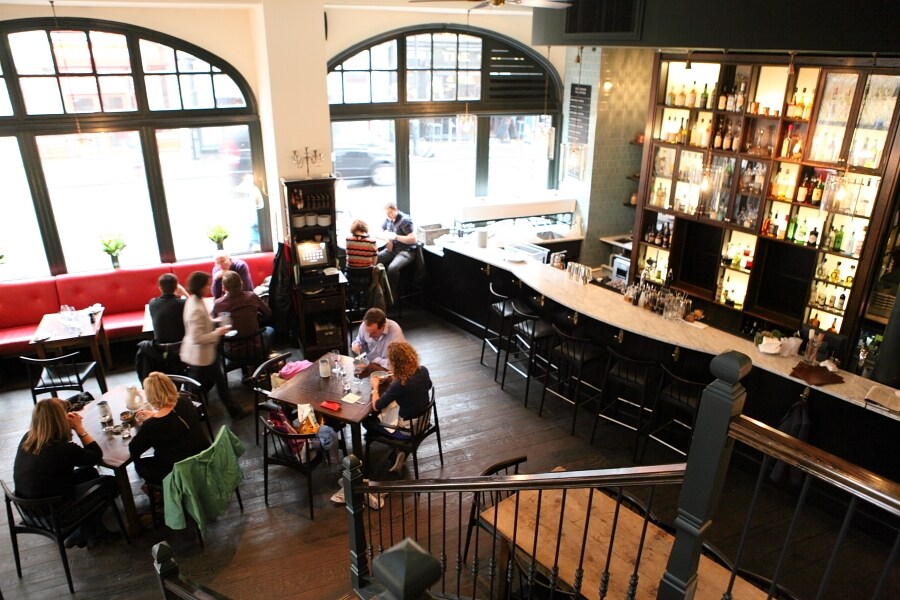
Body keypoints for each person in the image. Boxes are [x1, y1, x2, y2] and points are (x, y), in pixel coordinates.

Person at [13, 398, 119, 548]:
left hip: (31, 509)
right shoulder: (61, 449)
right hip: (53, 515)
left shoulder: (28, 437)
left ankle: (85, 530)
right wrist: (79, 428)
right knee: (110, 482)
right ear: (59, 420)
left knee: (89, 473)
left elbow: (87, 462)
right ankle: (92, 533)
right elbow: (95, 455)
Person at [180, 270, 250, 419]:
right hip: (200, 355)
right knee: (206, 386)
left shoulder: (193, 300)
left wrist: (215, 322)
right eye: (207, 284)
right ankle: (193, 413)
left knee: (214, 384)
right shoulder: (196, 308)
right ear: (200, 287)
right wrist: (218, 332)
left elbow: (202, 324)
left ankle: (233, 412)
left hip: (203, 355)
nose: (210, 287)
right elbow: (197, 338)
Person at [129, 372, 210, 487]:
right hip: (202, 456)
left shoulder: (152, 426)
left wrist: (147, 422)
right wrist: (154, 414)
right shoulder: (185, 400)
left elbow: (134, 449)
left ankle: (165, 493)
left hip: (179, 469)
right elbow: (172, 418)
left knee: (140, 465)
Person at [363, 341, 432, 473]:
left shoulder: (400, 384)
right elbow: (427, 386)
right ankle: (400, 450)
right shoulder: (423, 370)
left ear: (395, 363)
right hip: (424, 421)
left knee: (368, 421)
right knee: (391, 407)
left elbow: (377, 406)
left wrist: (375, 387)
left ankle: (398, 448)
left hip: (407, 430)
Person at [136, 273, 189, 381]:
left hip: (160, 350)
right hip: (182, 347)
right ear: (176, 287)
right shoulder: (184, 303)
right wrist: (183, 292)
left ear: (160, 288)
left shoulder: (152, 303)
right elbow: (194, 303)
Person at [212, 270, 274, 352]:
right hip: (255, 348)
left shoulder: (218, 304)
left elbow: (214, 325)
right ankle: (264, 356)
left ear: (223, 288)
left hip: (231, 352)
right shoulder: (252, 297)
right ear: (241, 283)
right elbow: (268, 313)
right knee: (270, 329)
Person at [377, 202, 417, 296]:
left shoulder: (404, 220)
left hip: (406, 251)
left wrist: (395, 237)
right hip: (393, 250)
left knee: (392, 268)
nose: (388, 215)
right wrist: (388, 239)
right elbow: (381, 231)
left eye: (390, 212)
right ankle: (378, 290)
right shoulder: (388, 219)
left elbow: (413, 239)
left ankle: (391, 294)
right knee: (374, 259)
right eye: (386, 213)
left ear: (396, 210)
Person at [351, 307, 405, 372]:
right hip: (370, 366)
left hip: (389, 369)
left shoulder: (395, 331)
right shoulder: (364, 326)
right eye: (367, 332)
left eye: (373, 333)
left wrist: (377, 361)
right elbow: (360, 341)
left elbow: (398, 362)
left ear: (383, 327)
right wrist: (356, 344)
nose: (369, 336)